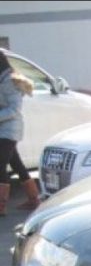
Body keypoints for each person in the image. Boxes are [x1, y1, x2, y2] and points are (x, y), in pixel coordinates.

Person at [0, 51, 39, 215]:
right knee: (16, 164)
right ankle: (34, 199)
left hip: (9, 129)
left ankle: (1, 207)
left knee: (0, 164)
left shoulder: (9, 80)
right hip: (4, 128)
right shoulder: (3, 79)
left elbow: (14, 109)